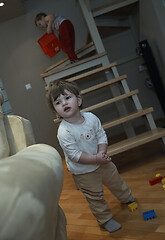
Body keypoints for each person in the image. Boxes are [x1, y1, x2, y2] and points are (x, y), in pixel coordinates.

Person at [46, 79, 136, 232]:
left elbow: (101, 135)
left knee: (116, 181)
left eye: (67, 98)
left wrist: (101, 152)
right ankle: (105, 219)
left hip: (103, 162)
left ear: (78, 100)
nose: (64, 103)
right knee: (95, 197)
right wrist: (96, 158)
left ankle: (127, 197)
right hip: (83, 172)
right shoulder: (64, 132)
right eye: (58, 102)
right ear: (55, 111)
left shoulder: (91, 118)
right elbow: (74, 155)